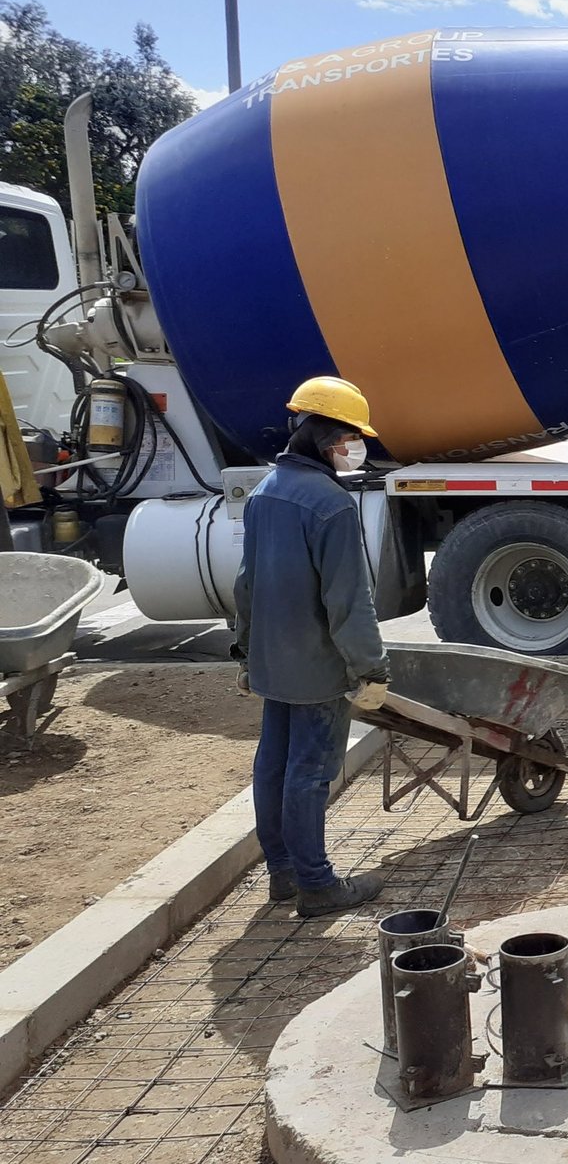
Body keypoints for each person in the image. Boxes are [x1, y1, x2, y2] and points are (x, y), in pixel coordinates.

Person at [233, 377, 389, 918]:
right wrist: (371, 669)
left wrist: (245, 650)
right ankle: (317, 885)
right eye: (353, 436)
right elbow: (349, 601)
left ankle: (283, 874)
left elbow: (246, 583)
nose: (357, 447)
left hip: (273, 660)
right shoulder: (331, 504)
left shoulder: (265, 491)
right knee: (309, 771)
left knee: (272, 765)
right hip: (318, 666)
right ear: (329, 439)